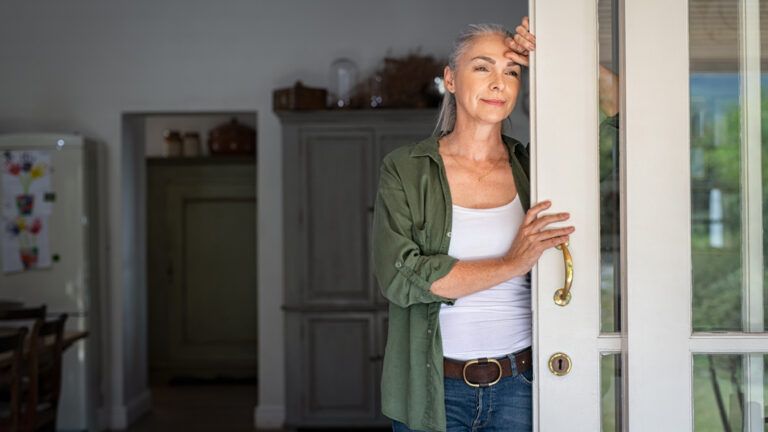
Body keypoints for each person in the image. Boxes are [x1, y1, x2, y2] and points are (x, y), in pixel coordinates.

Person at [372, 18, 618, 432]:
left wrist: (567, 55)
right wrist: (511, 263)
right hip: (432, 393)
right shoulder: (405, 169)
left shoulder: (535, 169)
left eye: (512, 71)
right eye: (482, 67)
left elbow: (620, 131)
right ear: (451, 78)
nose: (498, 83)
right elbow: (401, 276)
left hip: (521, 386)